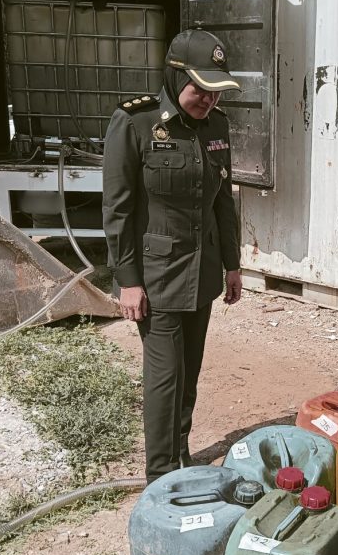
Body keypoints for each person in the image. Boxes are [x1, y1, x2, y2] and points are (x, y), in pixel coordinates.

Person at [102, 29, 242, 484]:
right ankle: (161, 475)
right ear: (174, 74)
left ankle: (180, 448)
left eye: (216, 91)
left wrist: (233, 264)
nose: (208, 100)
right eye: (200, 88)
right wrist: (128, 279)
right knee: (164, 377)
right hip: (157, 275)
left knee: (191, 369)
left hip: (202, 272)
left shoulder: (217, 127)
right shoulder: (136, 123)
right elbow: (118, 208)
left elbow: (223, 200)